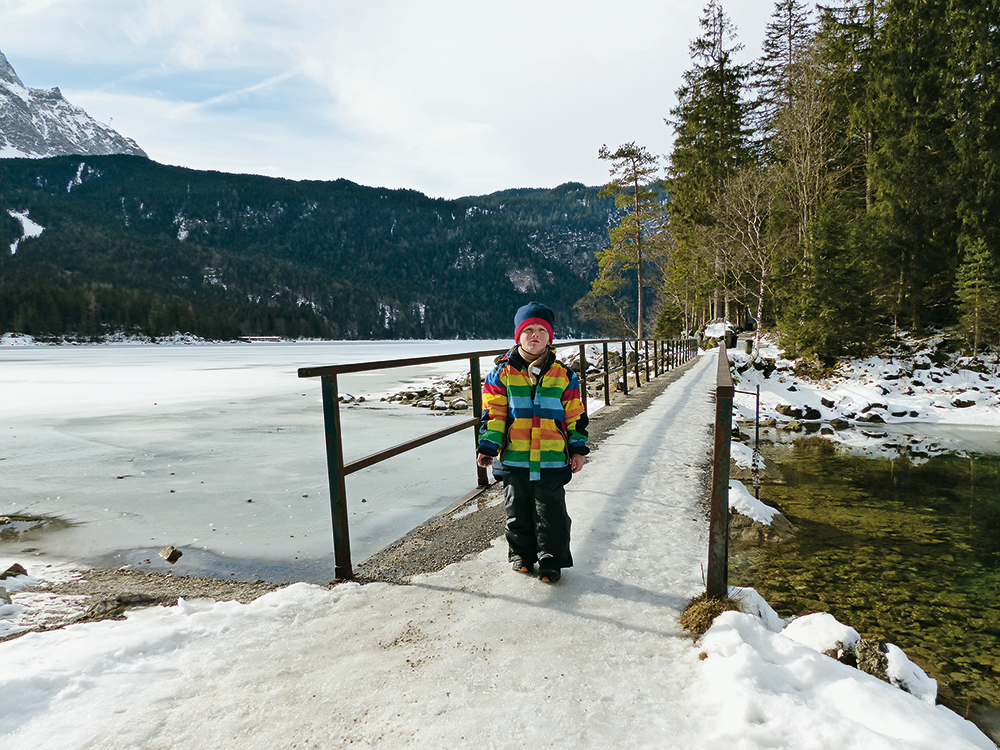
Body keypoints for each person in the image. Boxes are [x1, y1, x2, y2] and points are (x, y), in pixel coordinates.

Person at [476, 301, 589, 583]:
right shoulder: (501, 373)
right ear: (518, 336)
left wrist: (577, 448)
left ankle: (552, 560)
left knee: (552, 514)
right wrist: (488, 446)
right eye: (528, 330)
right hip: (514, 458)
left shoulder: (565, 375)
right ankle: (522, 555)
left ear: (550, 337)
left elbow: (575, 415)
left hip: (552, 458)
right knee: (517, 512)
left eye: (541, 330)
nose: (535, 335)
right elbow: (494, 413)